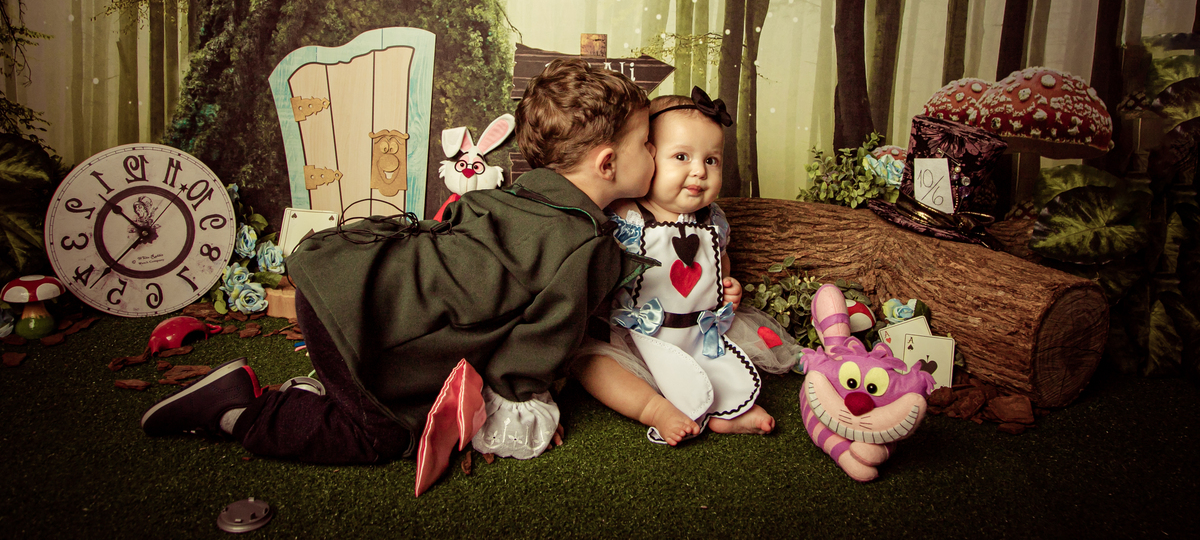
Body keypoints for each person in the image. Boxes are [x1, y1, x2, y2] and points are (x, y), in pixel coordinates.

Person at [140, 58, 656, 478]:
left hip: (344, 279)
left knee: (393, 368)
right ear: (608, 163)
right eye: (648, 143)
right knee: (381, 434)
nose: (656, 154)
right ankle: (237, 413)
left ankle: (319, 387)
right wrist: (519, 411)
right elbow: (532, 353)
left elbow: (454, 233)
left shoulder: (510, 196)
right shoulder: (586, 243)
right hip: (363, 316)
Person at [573, 87, 797, 445]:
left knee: (723, 362)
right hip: (633, 337)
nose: (699, 171)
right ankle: (654, 408)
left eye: (712, 160)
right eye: (681, 156)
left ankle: (732, 411)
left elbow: (718, 260)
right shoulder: (625, 214)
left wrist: (728, 284)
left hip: (695, 331)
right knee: (590, 364)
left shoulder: (713, 219)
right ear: (648, 157)